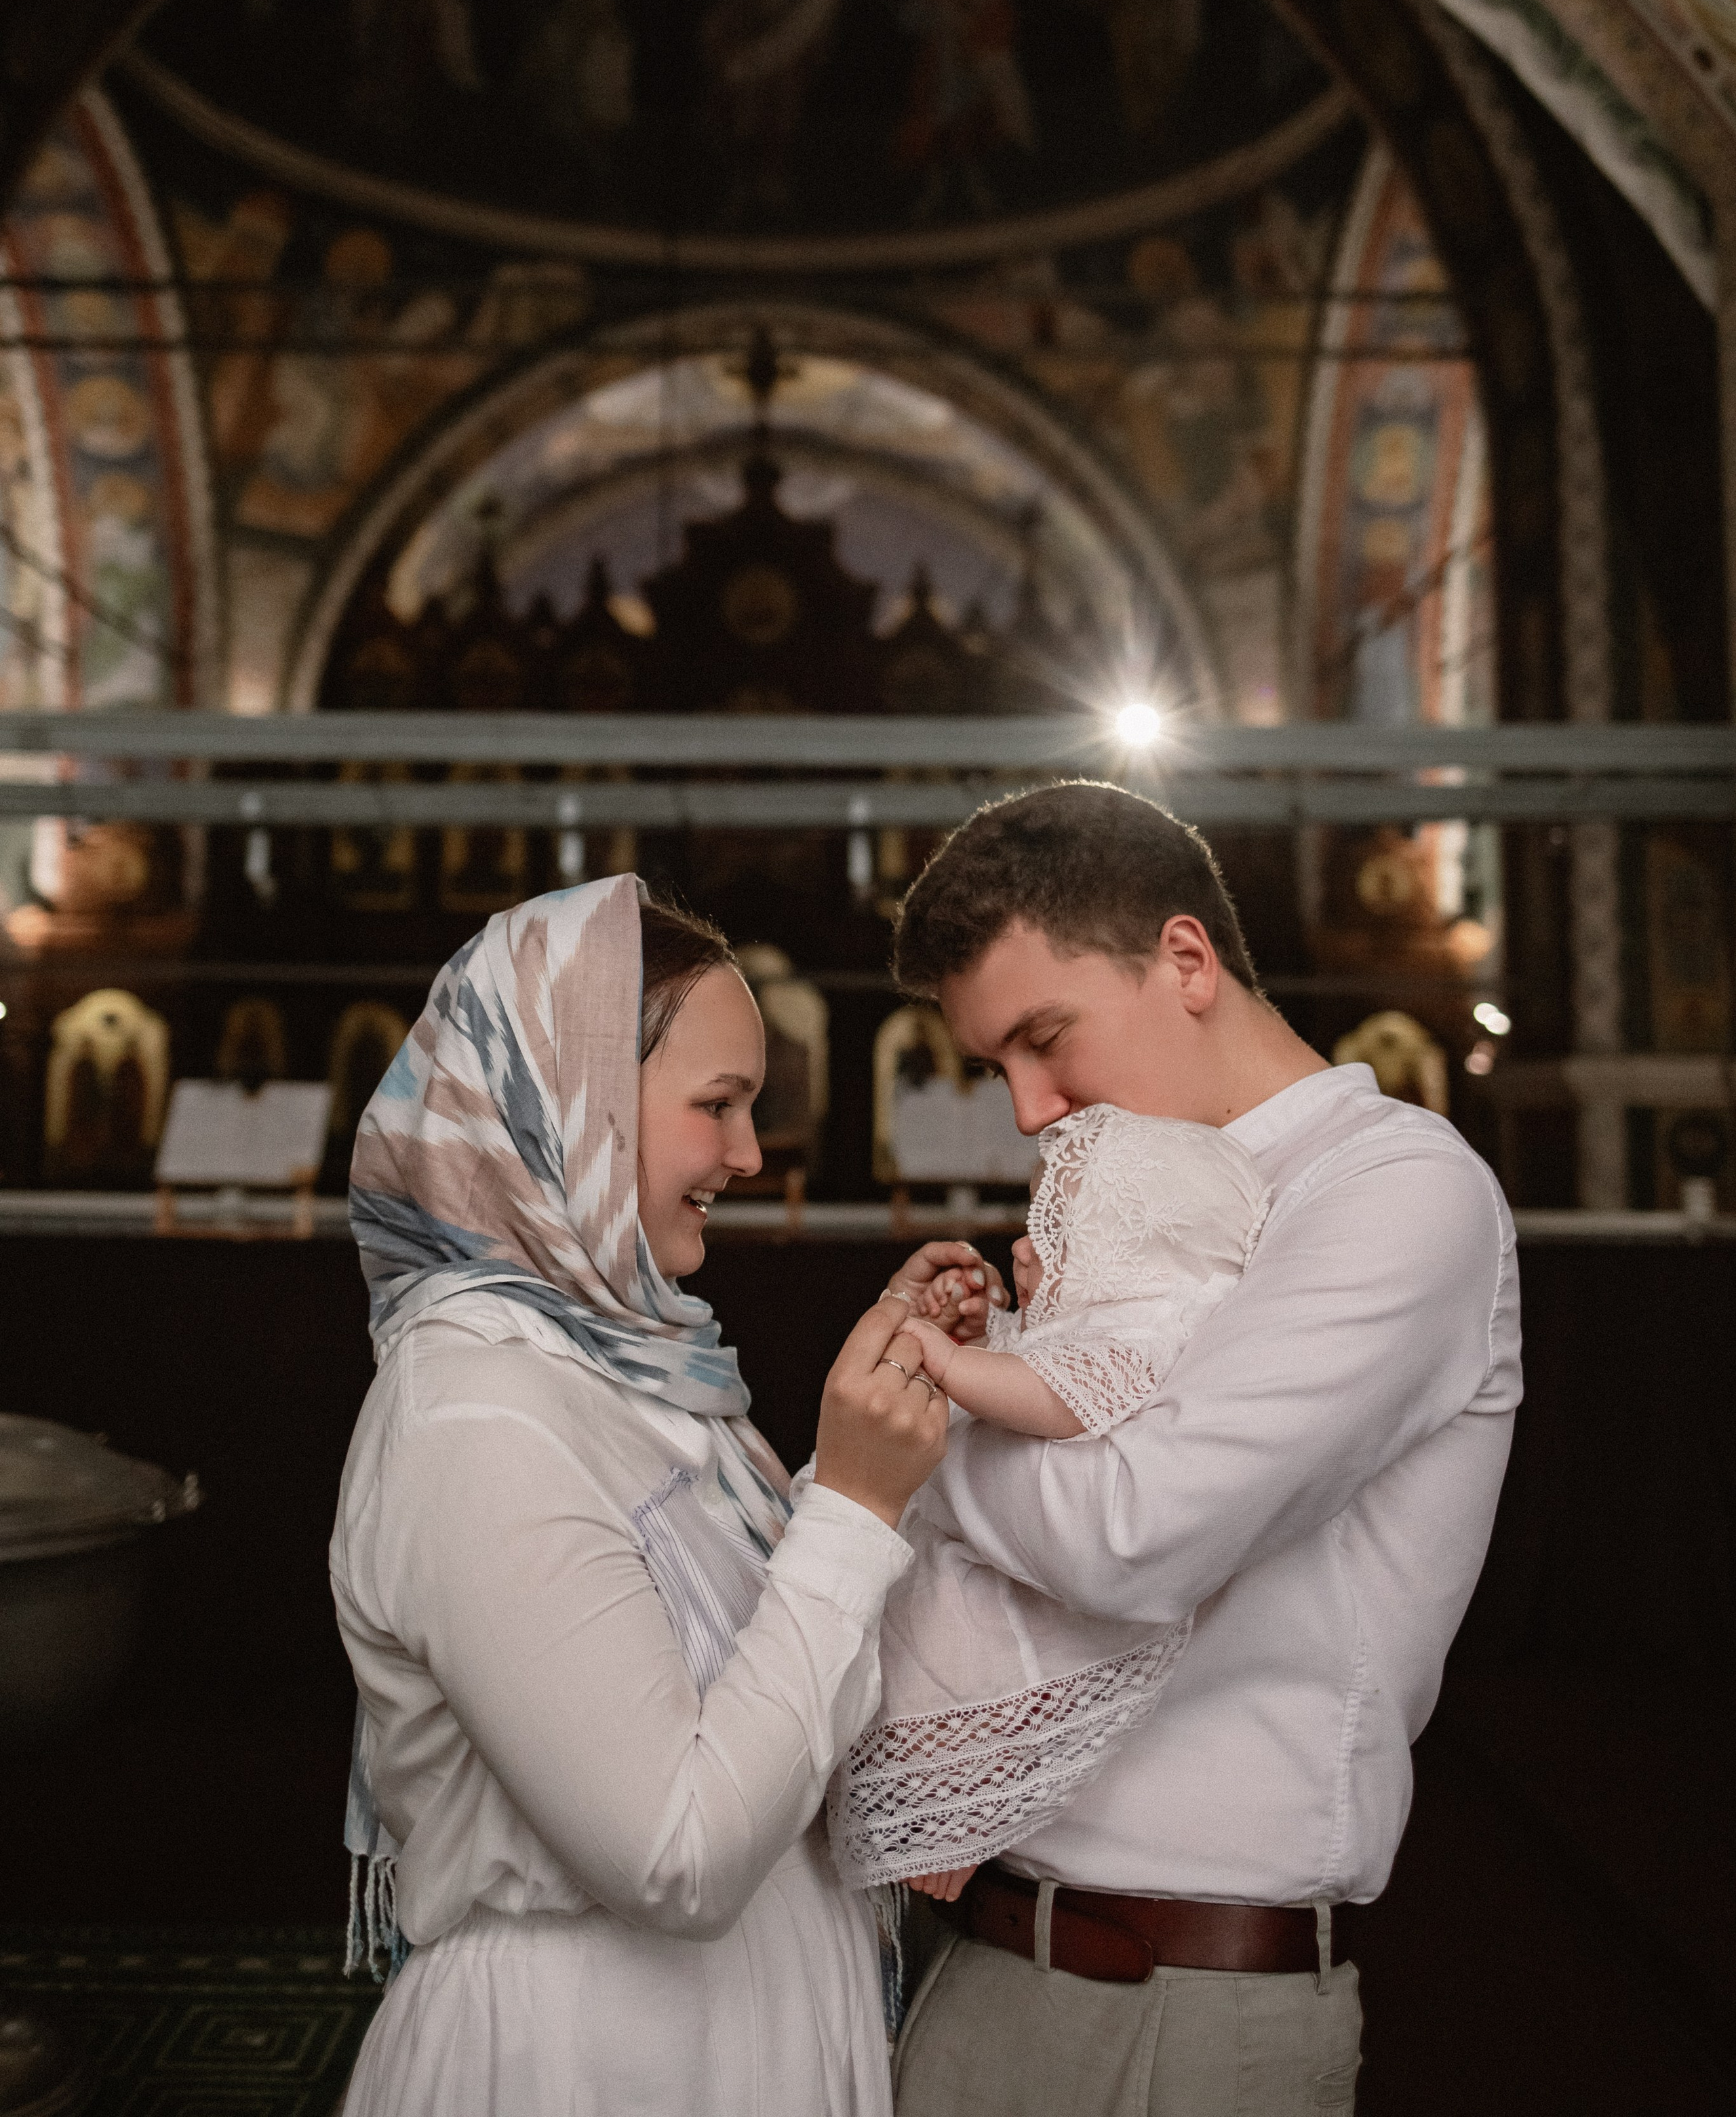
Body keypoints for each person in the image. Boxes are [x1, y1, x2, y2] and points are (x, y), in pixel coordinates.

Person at [884, 782, 1521, 2117]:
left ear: (1184, 960)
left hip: (1182, 2000)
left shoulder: (1396, 1190)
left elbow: (1137, 1533)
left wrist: (924, 1425)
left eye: (1043, 1039)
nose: (1027, 1110)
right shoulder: (1134, 1191)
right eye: (994, 1064)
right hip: (982, 1957)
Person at [330, 873, 948, 2117]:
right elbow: (676, 1853)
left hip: (730, 2037)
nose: (748, 1154)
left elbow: (752, 1656)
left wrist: (862, 1437)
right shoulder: (476, 1414)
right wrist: (859, 1509)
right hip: (590, 2061)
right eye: (715, 1105)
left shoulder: (632, 1374)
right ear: (567, 1109)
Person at [829, 1107, 1270, 1901]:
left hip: (1029, 1611)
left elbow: (1054, 1397)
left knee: (961, 1660)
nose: (1023, 1247)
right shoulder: (1105, 1324)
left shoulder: (1149, 1328)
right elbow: (1035, 1368)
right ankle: (937, 1818)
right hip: (992, 1573)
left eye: (1057, 1232)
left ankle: (948, 1823)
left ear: (1129, 1254)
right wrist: (981, 1335)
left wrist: (946, 1362)